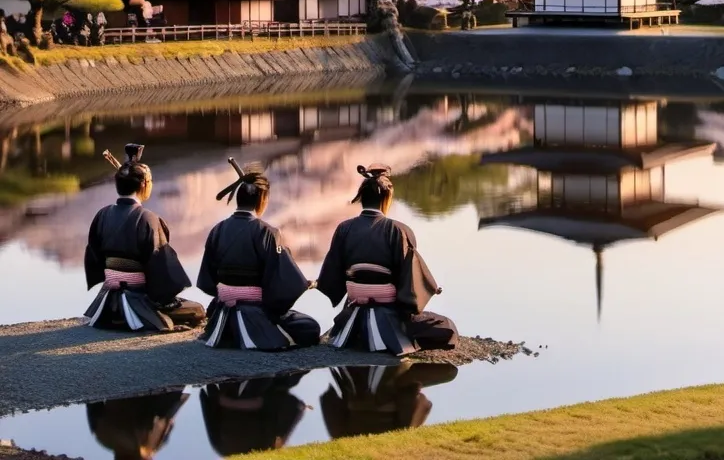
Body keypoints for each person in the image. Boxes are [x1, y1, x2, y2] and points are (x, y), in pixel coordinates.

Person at [317, 164, 458, 355]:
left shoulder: (344, 228)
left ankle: (356, 333)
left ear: (362, 197)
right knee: (446, 327)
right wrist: (428, 286)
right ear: (387, 197)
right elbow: (409, 278)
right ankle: (394, 336)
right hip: (389, 311)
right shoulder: (399, 230)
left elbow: (331, 273)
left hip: (353, 310)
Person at [197, 160, 320, 350]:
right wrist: (304, 283)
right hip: (255, 311)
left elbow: (207, 280)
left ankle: (228, 330)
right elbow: (283, 281)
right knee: (309, 327)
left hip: (223, 311)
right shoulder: (267, 232)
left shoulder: (218, 229)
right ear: (262, 199)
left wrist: (229, 293)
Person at [83, 143, 205, 332]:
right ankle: (144, 315)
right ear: (143, 185)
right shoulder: (149, 219)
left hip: (107, 298)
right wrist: (162, 297)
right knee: (196, 311)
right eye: (151, 181)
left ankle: (118, 316)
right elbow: (162, 270)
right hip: (140, 298)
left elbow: (95, 256)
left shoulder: (103, 214)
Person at [319, 363, 458, 439]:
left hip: (387, 388)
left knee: (450, 372)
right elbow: (328, 399)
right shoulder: (340, 439)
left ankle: (401, 370)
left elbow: (423, 403)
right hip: (355, 381)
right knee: (449, 372)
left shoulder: (400, 441)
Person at [200, 374, 308, 455]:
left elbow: (208, 403)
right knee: (281, 381)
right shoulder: (266, 447)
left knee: (269, 383)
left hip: (238, 395)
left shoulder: (224, 448)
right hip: (254, 395)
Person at [86, 390, 187, 460]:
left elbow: (91, 393)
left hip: (161, 383)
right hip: (127, 377)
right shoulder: (103, 436)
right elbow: (91, 392)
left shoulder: (103, 436)